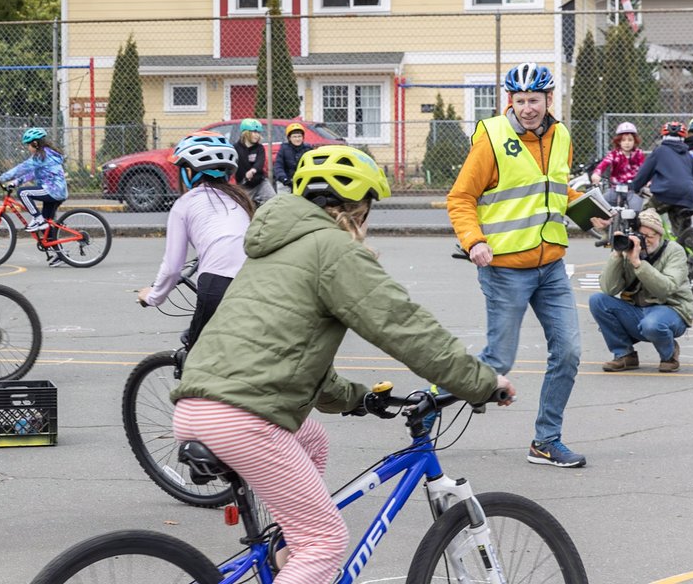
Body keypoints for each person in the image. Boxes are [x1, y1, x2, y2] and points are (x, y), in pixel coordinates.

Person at [172, 145, 513, 584]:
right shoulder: (333, 249)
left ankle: (286, 554)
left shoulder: (277, 246)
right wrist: (481, 382)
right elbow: (403, 326)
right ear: (356, 208)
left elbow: (290, 355)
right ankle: (306, 556)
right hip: (243, 418)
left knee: (312, 440)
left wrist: (359, 399)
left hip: (199, 405)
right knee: (326, 542)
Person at [446, 62, 585, 468]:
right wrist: (474, 242)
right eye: (521, 100)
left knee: (570, 351)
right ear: (510, 101)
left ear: (548, 100)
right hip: (504, 267)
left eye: (535, 100)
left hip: (551, 266)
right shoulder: (492, 138)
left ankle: (546, 441)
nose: (528, 108)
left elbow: (554, 191)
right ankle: (432, 402)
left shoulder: (561, 136)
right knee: (498, 361)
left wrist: (587, 210)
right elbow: (461, 198)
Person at [137, 132, 252, 349]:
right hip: (254, 283)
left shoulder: (185, 204)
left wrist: (152, 296)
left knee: (198, 353)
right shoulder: (241, 202)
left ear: (190, 172)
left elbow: (172, 268)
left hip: (217, 283)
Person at [590, 208, 693, 373]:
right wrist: (617, 254)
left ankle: (669, 354)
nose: (644, 241)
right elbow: (609, 289)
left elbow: (666, 289)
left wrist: (638, 264)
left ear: (660, 236)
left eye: (649, 236)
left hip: (671, 309)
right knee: (597, 300)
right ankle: (624, 355)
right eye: (640, 236)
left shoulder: (674, 251)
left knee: (651, 324)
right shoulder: (628, 250)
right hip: (638, 309)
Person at [0, 127, 69, 266]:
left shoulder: (41, 156)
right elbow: (31, 174)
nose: (28, 148)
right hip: (57, 191)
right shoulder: (46, 155)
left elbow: (22, 168)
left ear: (35, 143)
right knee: (47, 225)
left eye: (28, 145)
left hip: (53, 190)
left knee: (23, 193)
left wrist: (1, 179)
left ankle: (38, 220)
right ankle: (60, 255)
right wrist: (15, 182)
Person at [630, 122, 693, 233]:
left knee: (644, 219)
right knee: (682, 233)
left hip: (665, 194)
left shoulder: (659, 151)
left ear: (663, 137)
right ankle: (688, 247)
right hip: (687, 197)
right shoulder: (688, 156)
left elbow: (644, 173)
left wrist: (635, 187)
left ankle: (646, 243)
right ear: (683, 139)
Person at [590, 122, 645, 210]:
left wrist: (648, 180)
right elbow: (604, 164)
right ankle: (608, 223)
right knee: (600, 207)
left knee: (636, 210)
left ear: (635, 141)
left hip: (632, 189)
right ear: (618, 141)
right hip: (615, 188)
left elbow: (644, 169)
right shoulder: (614, 154)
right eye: (623, 140)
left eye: (630, 140)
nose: (627, 143)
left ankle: (633, 222)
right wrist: (597, 174)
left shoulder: (638, 154)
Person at [233, 118, 275, 205]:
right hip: (244, 185)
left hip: (260, 182)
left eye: (259, 132)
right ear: (246, 133)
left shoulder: (259, 148)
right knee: (244, 207)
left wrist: (253, 170)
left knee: (273, 201)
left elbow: (260, 162)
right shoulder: (235, 148)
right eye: (254, 132)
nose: (257, 135)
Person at [273, 122, 314, 194]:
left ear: (303, 137)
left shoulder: (308, 148)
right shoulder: (284, 149)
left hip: (303, 180)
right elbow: (278, 166)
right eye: (294, 137)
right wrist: (284, 179)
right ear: (289, 138)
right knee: (284, 198)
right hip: (287, 180)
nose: (297, 139)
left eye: (299, 136)